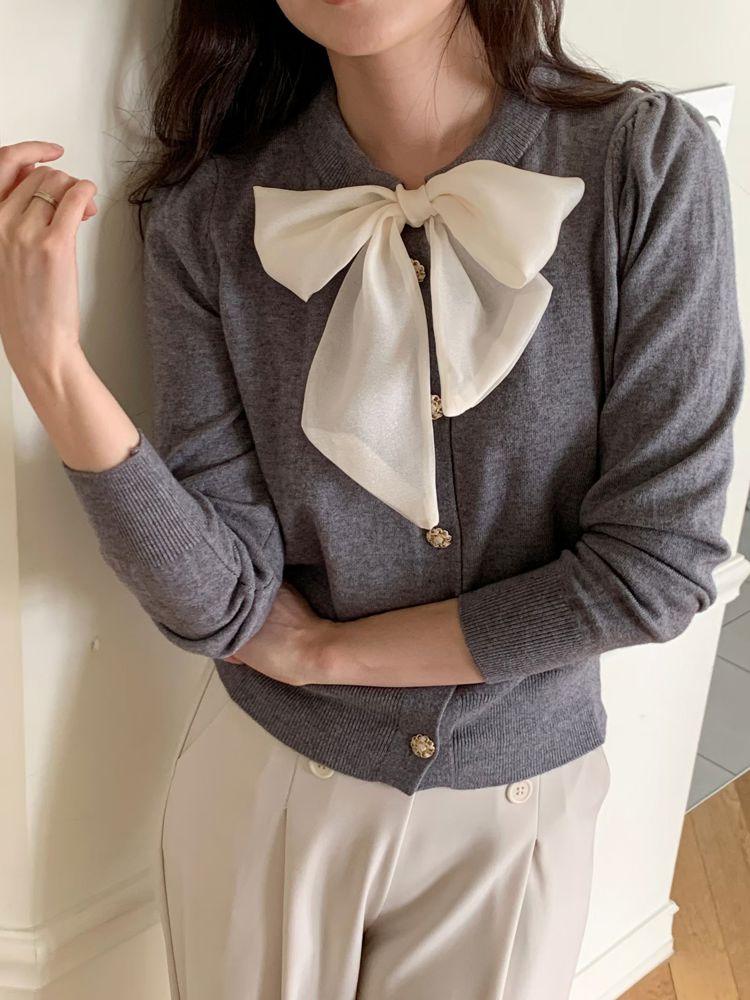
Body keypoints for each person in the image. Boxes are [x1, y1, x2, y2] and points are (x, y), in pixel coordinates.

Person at [0, 0, 744, 997]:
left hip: (516, 808)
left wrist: (327, 654)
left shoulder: (643, 164)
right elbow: (222, 600)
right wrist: (50, 366)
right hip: (269, 789)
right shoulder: (211, 210)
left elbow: (656, 569)